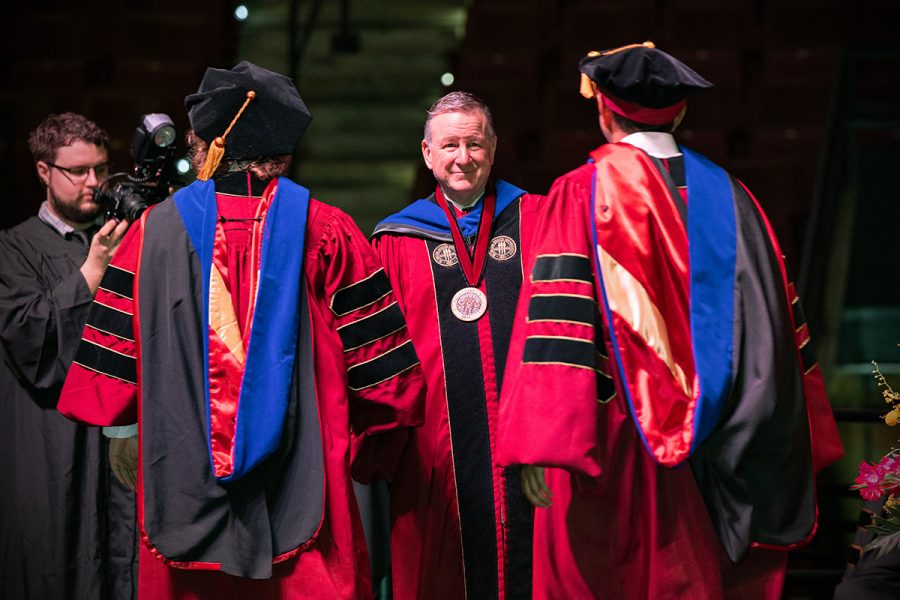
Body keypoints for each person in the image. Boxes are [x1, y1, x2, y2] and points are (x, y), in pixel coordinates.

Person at [57, 60, 426, 599]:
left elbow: (115, 355)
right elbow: (383, 371)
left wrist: (121, 429)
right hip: (307, 476)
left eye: (195, 136)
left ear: (218, 143)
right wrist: (372, 434)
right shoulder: (329, 229)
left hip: (179, 468)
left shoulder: (152, 232)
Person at [496, 42, 845, 599]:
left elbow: (557, 328)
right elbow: (776, 330)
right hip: (726, 436)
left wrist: (542, 442)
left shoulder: (580, 192)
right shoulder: (735, 197)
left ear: (604, 110)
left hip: (610, 438)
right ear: (680, 112)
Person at [368, 91, 543, 599]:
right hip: (433, 453)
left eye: (473, 144)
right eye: (449, 146)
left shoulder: (536, 220)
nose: (461, 157)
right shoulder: (396, 240)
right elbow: (381, 355)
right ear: (427, 154)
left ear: (493, 148)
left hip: (526, 444)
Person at [0, 112, 132, 599]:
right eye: (77, 171)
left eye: (99, 168)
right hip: (51, 441)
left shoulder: (127, 240)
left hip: (119, 443)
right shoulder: (13, 249)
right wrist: (94, 267)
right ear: (43, 172)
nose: (93, 183)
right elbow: (30, 336)